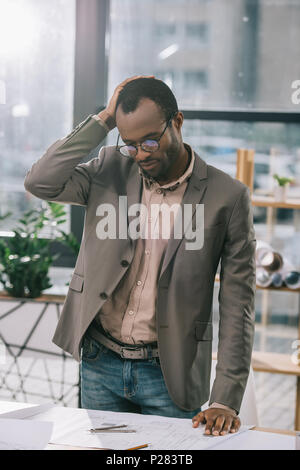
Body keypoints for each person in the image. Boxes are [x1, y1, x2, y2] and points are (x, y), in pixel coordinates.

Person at [24, 75, 256, 436]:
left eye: (150, 140)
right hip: (100, 362)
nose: (141, 154)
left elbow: (237, 302)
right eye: (130, 144)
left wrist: (225, 397)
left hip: (170, 371)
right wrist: (103, 119)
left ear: (177, 122)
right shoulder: (109, 168)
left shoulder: (227, 196)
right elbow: (41, 181)